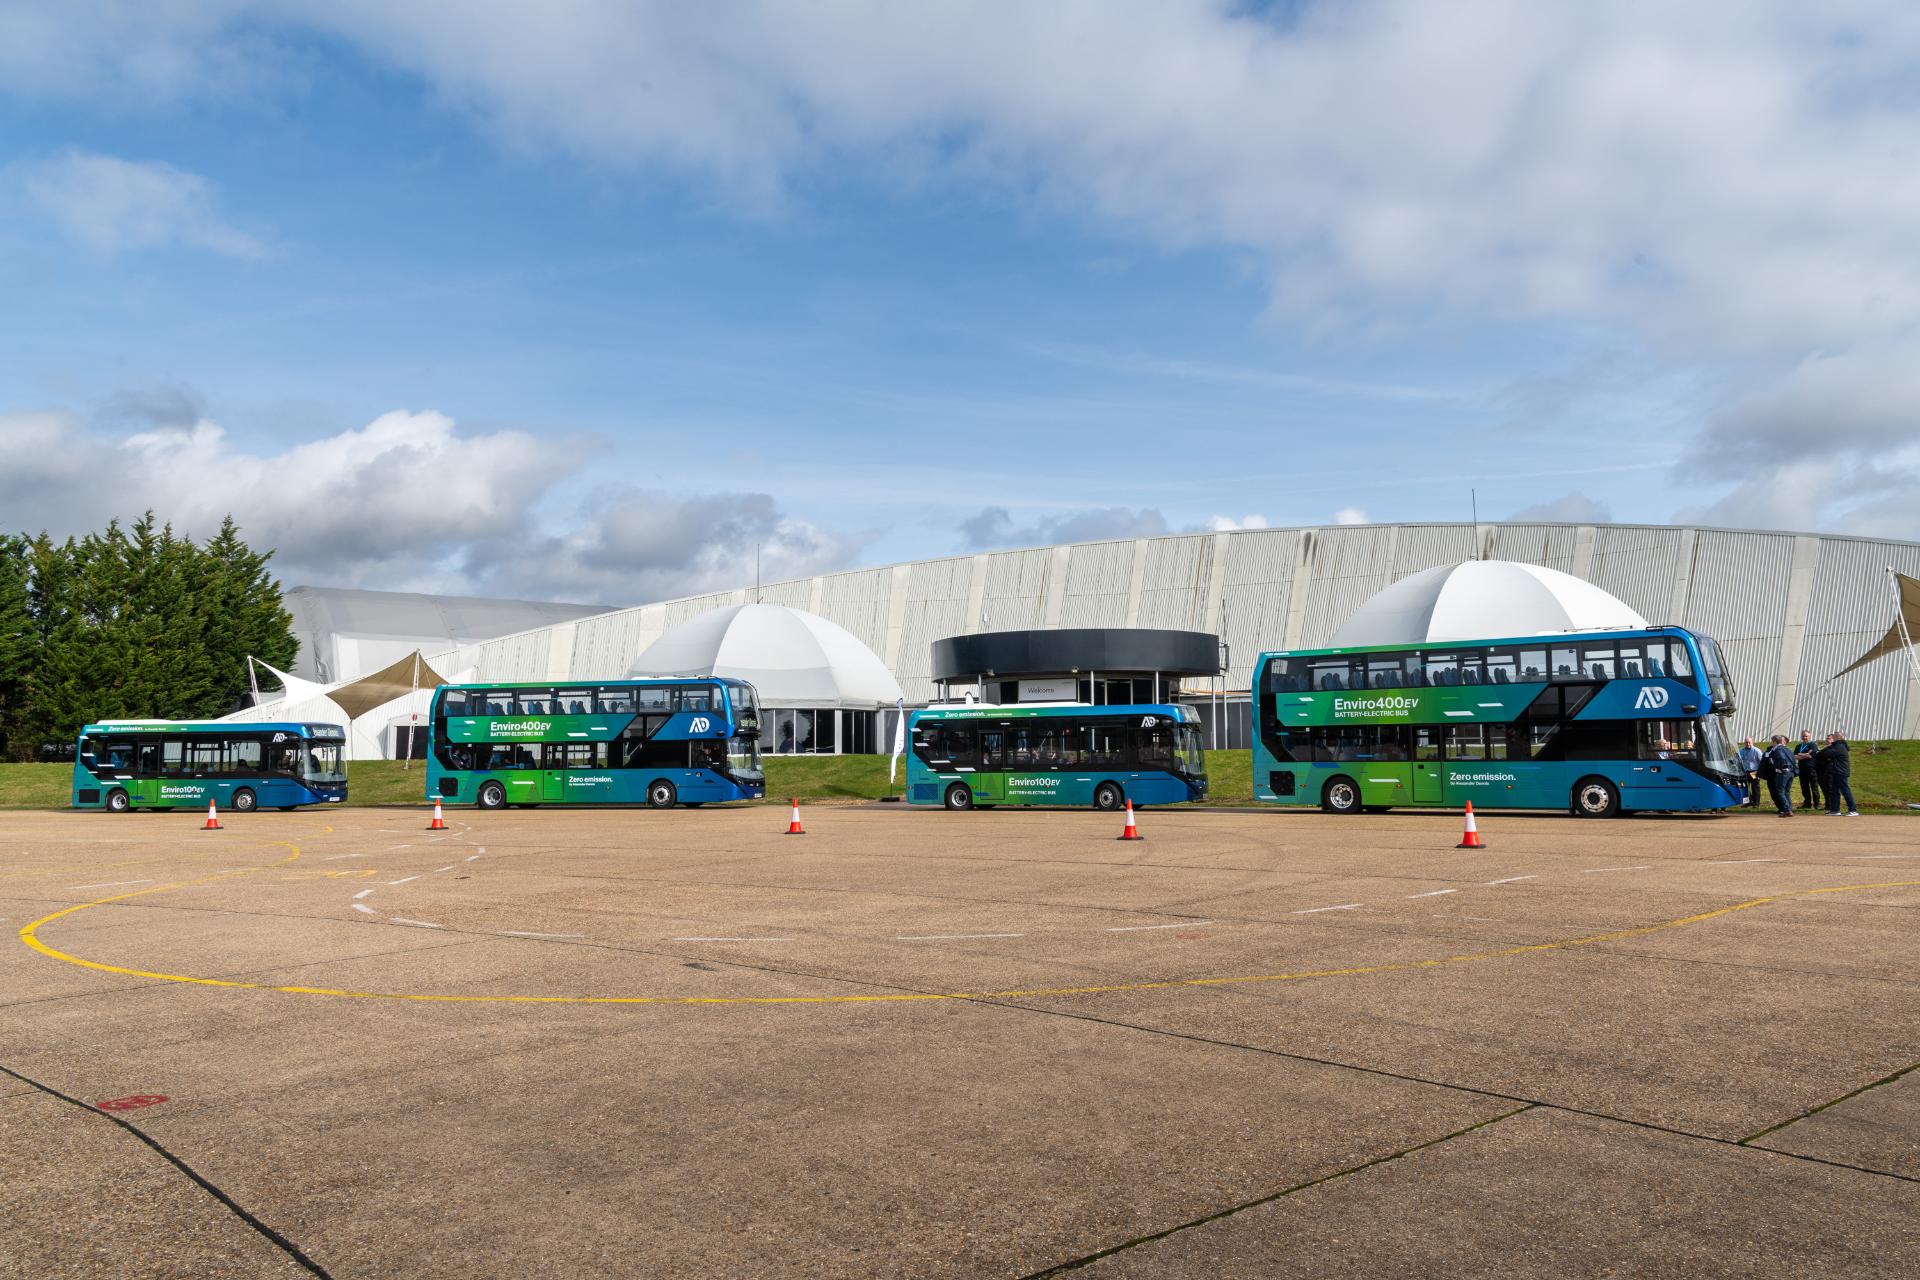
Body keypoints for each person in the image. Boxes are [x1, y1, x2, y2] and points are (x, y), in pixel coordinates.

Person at [1819, 732, 1859, 816]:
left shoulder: (1839, 746)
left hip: (1840, 772)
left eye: (1833, 736)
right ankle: (1835, 810)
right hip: (1836, 771)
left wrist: (1826, 748)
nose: (1832, 738)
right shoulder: (1837, 746)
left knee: (1845, 790)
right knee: (1834, 791)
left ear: (1837, 737)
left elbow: (1826, 754)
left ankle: (1853, 810)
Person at [1764, 735, 1797, 817]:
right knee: (1786, 792)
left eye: (1772, 741)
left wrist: (1781, 767)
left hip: (1783, 773)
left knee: (1780, 791)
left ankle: (1787, 810)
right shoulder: (1787, 749)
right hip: (1791, 772)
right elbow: (1794, 759)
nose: (1771, 743)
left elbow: (1781, 759)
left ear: (1775, 742)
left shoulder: (1778, 749)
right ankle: (1789, 809)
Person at [1793, 730, 1823, 812]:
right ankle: (1807, 803)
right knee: (1804, 787)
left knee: (1814, 787)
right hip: (1802, 769)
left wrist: (1801, 754)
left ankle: (1817, 804)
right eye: (1803, 736)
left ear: (1809, 736)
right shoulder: (1798, 746)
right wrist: (1805, 754)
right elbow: (1795, 756)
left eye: (1806, 736)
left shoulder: (1813, 745)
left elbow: (1810, 756)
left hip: (1811, 769)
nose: (1804, 737)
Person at [1737, 737, 1762, 807]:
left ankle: (1756, 803)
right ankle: (1749, 802)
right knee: (1745, 788)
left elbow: (1762, 762)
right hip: (1745, 772)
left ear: (1752, 742)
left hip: (1754, 772)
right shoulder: (1741, 751)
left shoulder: (1757, 751)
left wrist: (1759, 771)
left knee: (1755, 788)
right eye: (1746, 742)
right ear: (1744, 743)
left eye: (1749, 742)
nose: (1748, 744)